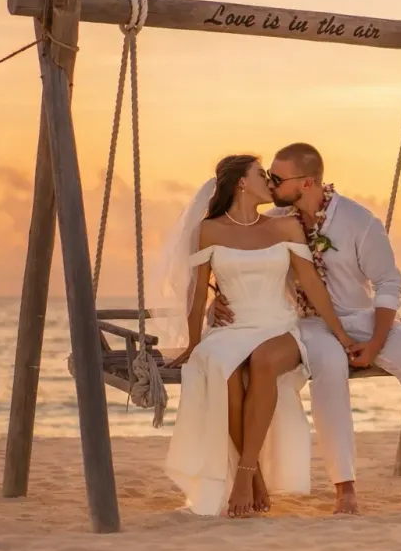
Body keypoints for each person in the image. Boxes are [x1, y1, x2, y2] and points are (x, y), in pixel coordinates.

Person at [212, 142, 401, 514]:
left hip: (364, 318)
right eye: (268, 176)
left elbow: (388, 284)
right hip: (308, 324)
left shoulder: (358, 221)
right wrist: (219, 298)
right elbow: (240, 265)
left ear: (307, 182)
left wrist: (374, 343)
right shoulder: (274, 221)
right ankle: (345, 488)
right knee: (329, 365)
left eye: (278, 177)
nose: (271, 184)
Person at [151, 154, 357, 518]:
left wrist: (340, 333)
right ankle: (256, 474)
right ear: (242, 183)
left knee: (263, 361)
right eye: (261, 174)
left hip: (277, 326)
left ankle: (243, 477)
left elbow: (310, 282)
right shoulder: (209, 229)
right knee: (221, 368)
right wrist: (194, 343)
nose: (269, 181)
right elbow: (198, 293)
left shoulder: (286, 227)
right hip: (231, 329)